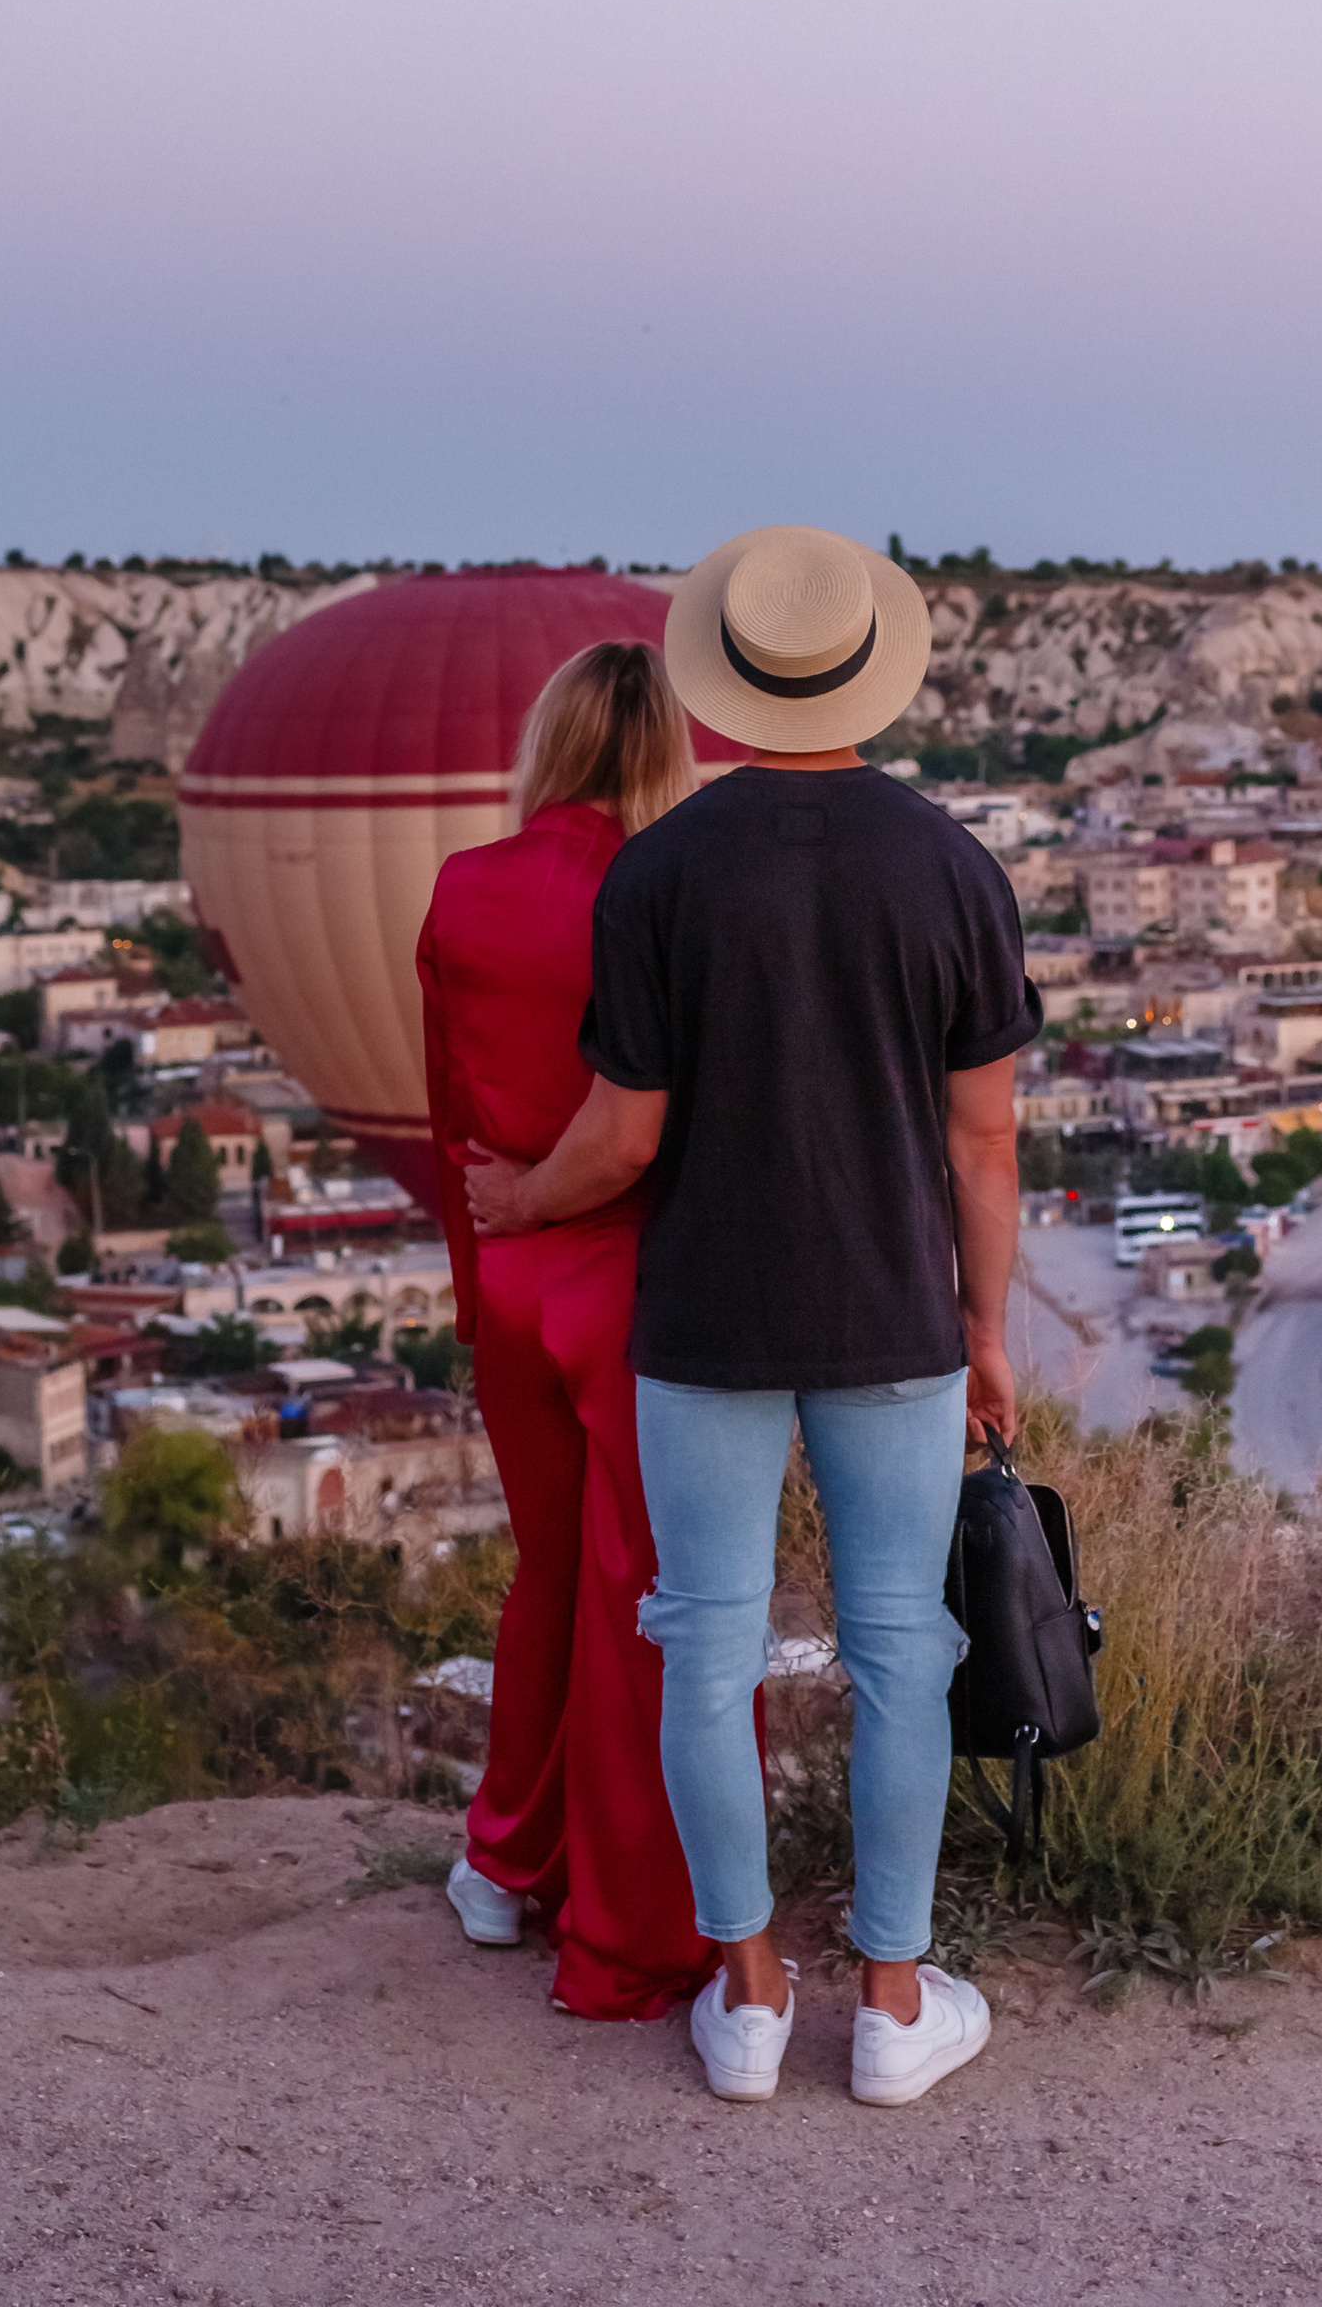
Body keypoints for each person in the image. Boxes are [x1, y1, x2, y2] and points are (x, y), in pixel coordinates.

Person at [462, 525, 1032, 2109]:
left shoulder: (659, 872)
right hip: (894, 1314)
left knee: (704, 1650)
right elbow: (981, 1141)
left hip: (702, 1319)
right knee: (904, 1649)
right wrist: (988, 1330)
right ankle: (898, 2008)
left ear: (728, 682)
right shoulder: (951, 867)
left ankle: (751, 1995)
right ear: (871, 668)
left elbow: (624, 1136)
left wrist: (518, 1201)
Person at [418, 636, 756, 2021]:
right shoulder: (672, 893)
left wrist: (478, 1277)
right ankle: (625, 1937)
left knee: (548, 1575)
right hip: (636, 1282)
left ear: (551, 743)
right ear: (669, 754)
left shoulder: (464, 890)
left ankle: (504, 1864)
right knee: (647, 1601)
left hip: (507, 1264)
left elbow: (450, 1115)